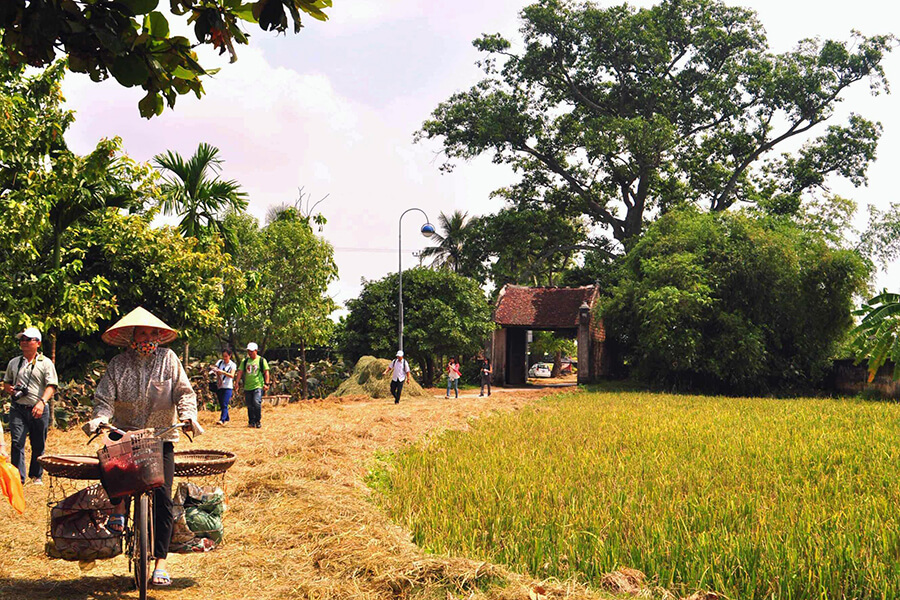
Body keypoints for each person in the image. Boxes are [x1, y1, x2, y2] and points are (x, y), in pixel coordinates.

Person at [84, 307, 203, 587]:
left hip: (161, 437)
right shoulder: (118, 364)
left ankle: (160, 563)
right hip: (126, 436)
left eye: (152, 332)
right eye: (142, 332)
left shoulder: (169, 360)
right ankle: (119, 508)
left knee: (162, 499)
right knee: (111, 468)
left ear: (159, 336)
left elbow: (185, 393)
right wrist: (100, 418)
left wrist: (188, 418)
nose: (147, 337)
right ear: (131, 336)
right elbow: (103, 398)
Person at [3, 327, 58, 485]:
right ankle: (18, 477)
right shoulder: (14, 362)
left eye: (28, 339)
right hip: (18, 408)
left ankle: (36, 475)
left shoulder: (45, 363)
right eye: (22, 340)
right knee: (16, 442)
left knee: (38, 442)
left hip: (38, 408)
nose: (24, 342)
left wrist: (42, 402)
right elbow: (6, 382)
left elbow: (52, 386)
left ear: (38, 343)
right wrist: (10, 390)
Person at [234, 342, 269, 428]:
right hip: (248, 386)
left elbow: (266, 372)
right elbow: (240, 372)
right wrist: (237, 382)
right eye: (249, 351)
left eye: (251, 351)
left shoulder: (261, 360)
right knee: (249, 405)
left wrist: (266, 383)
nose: (250, 353)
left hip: (258, 385)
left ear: (256, 351)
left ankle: (258, 420)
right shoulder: (245, 361)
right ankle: (251, 421)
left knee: (256, 402)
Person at [210, 349, 237, 425]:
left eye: (226, 356)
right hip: (220, 385)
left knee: (225, 403)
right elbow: (215, 369)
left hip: (228, 386)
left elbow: (232, 375)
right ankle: (227, 418)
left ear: (230, 356)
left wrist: (223, 372)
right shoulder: (220, 362)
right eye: (223, 356)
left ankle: (222, 419)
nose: (224, 358)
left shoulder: (232, 365)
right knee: (222, 403)